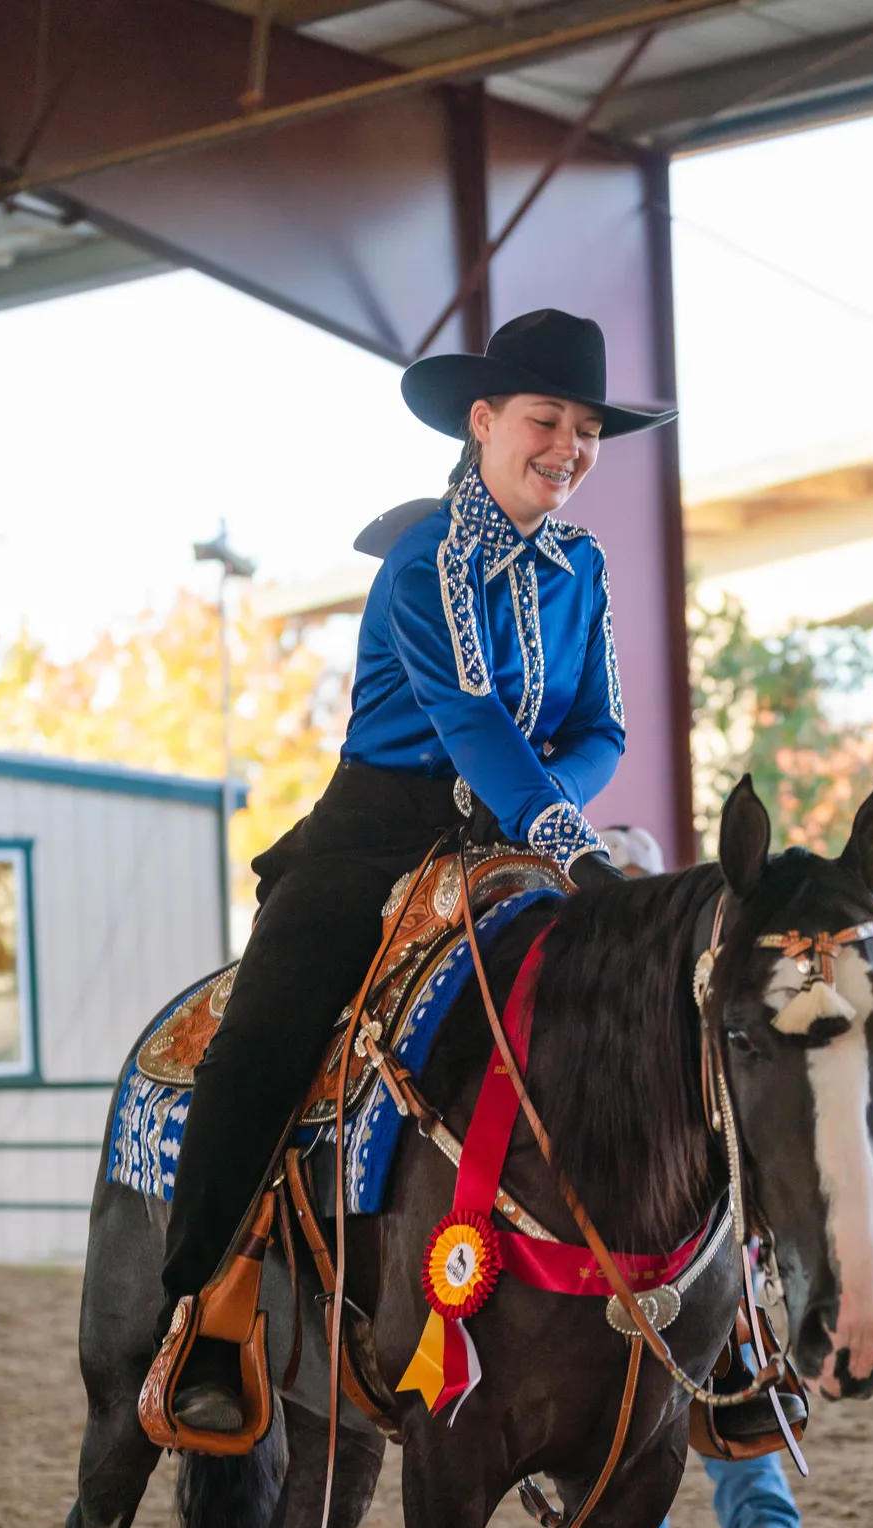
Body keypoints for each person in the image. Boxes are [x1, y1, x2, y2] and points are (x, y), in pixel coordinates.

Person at [150, 309, 677, 1432]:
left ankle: (722, 1322)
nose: (569, 448)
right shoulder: (421, 558)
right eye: (546, 420)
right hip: (372, 838)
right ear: (482, 420)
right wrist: (569, 842)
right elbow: (472, 719)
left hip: (511, 841)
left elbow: (606, 730)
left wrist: (544, 820)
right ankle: (201, 1314)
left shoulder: (583, 569)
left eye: (587, 430)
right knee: (258, 1048)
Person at [598, 827, 820, 1528]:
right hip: (709, 1252)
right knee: (735, 1409)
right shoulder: (708, 1008)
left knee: (626, 1443)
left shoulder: (587, 1013)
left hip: (620, 1268)